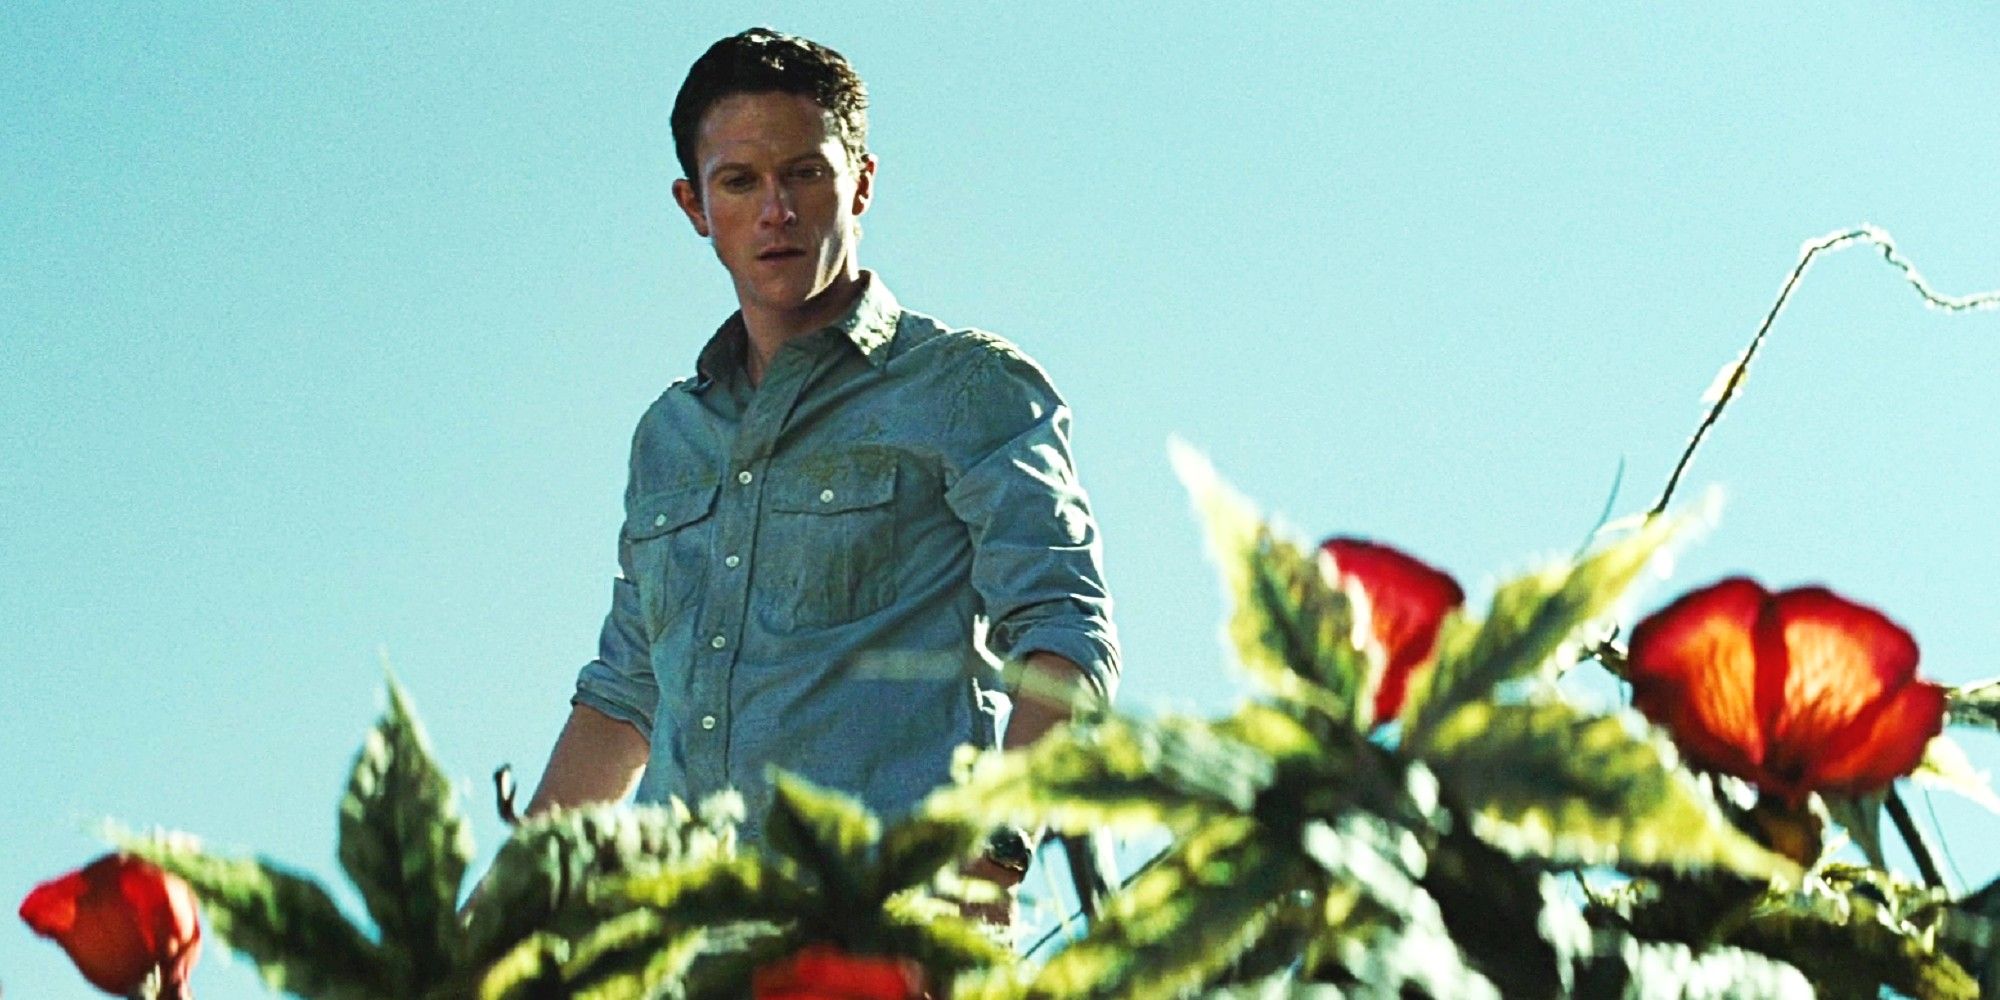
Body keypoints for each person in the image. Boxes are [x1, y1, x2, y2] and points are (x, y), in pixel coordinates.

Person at [520, 28, 1120, 915]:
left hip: (885, 933)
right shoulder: (670, 436)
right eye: (740, 182)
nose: (777, 211)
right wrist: (488, 931)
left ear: (862, 182)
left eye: (805, 173)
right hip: (679, 947)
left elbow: (1067, 636)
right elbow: (623, 697)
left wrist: (993, 851)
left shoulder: (965, 387)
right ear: (694, 205)